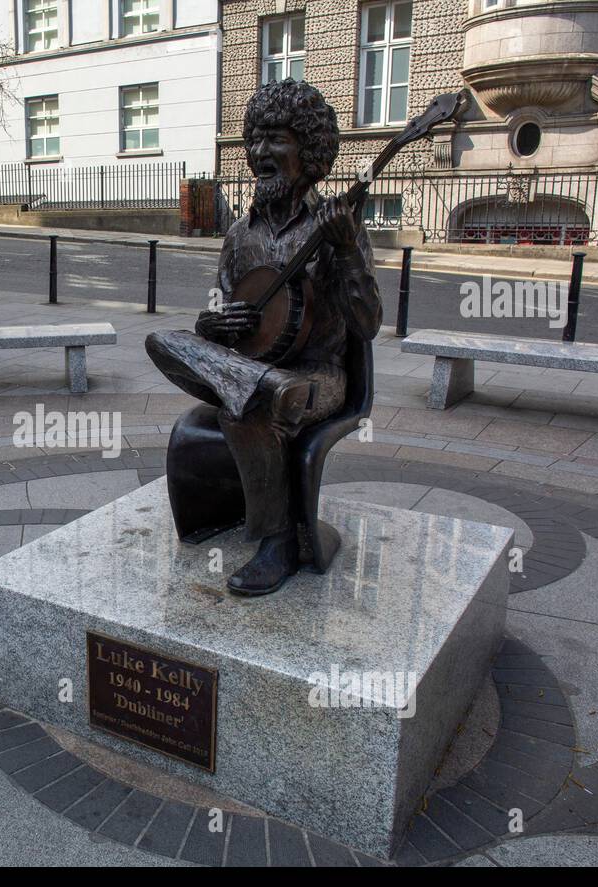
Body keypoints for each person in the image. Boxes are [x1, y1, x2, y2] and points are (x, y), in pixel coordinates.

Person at [145, 79, 382, 596]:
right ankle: (267, 389)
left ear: (309, 148)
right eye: (255, 140)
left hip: (317, 378)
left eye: (276, 139)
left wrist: (345, 254)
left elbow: (366, 326)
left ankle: (278, 543)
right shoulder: (239, 234)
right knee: (164, 340)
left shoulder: (338, 227)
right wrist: (212, 325)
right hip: (253, 371)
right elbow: (219, 310)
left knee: (243, 407)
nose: (260, 153)